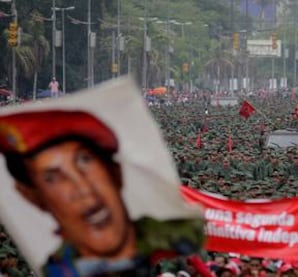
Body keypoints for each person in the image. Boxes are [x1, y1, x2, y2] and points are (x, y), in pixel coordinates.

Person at [0, 110, 204, 276]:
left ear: (116, 173)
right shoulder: (54, 267)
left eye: (85, 162)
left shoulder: (175, 234)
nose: (81, 188)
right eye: (52, 178)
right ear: (31, 197)